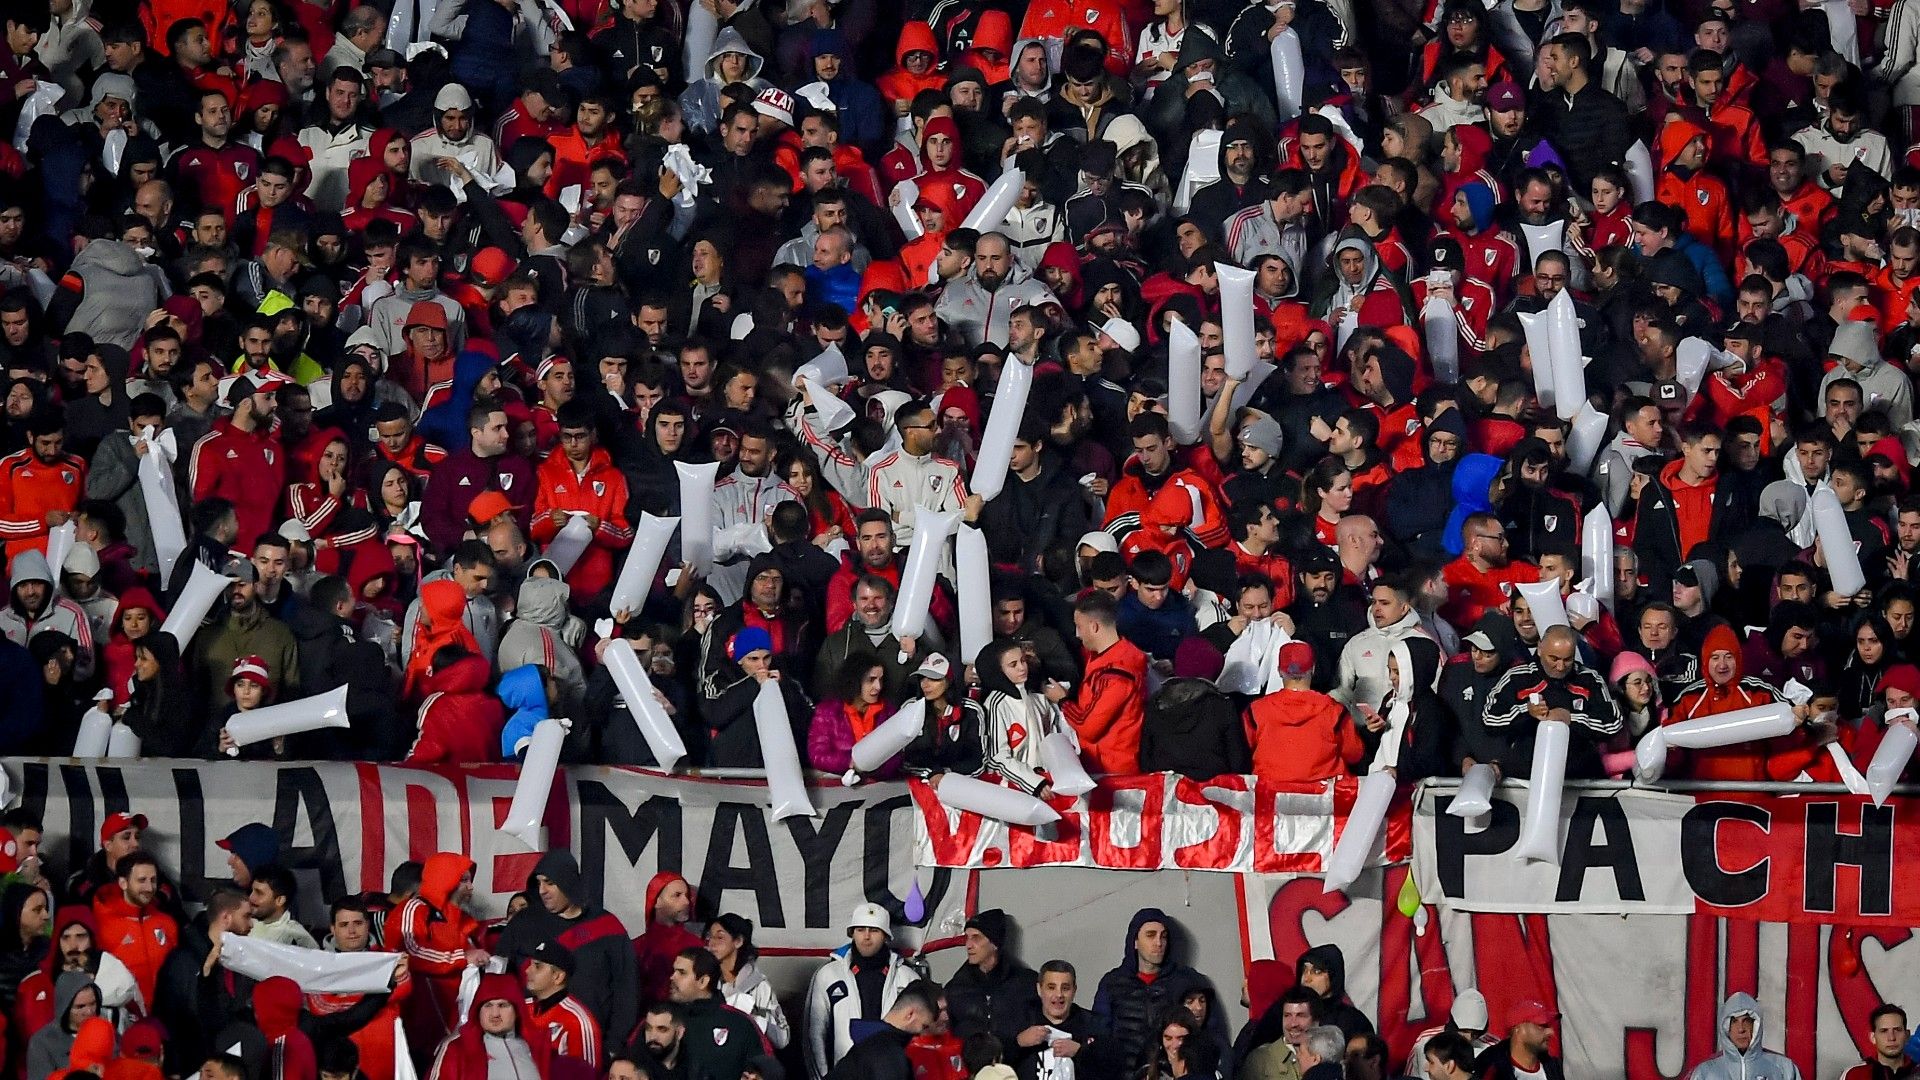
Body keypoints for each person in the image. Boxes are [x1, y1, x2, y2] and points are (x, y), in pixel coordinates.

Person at [1091, 909, 1222, 1073]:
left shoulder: (1186, 981)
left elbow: (1211, 1035)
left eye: (1163, 936)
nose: (1159, 943)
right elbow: (1099, 1036)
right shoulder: (1112, 983)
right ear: (1135, 941)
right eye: (1150, 935)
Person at [806, 902, 925, 1080]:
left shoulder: (907, 978)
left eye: (874, 930)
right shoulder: (828, 975)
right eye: (860, 929)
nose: (866, 936)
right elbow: (814, 1035)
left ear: (886, 936)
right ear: (852, 933)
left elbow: (921, 1036)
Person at [945, 909, 1037, 1040]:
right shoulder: (955, 988)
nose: (968, 945)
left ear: (994, 943)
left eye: (976, 938)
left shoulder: (1026, 983)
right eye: (967, 938)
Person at [1842, 1005, 1913, 1080]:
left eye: (1897, 1030)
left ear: (1907, 1035)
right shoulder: (1855, 1075)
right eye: (1884, 1031)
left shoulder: (1917, 1071)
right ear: (1873, 1038)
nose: (1891, 1038)